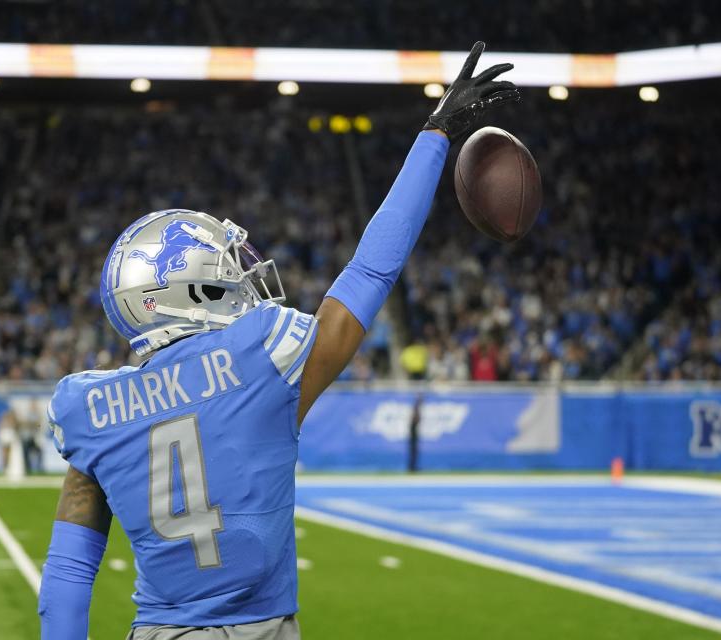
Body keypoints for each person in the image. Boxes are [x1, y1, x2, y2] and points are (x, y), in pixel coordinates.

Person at [38, 42, 519, 640]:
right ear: (188, 292)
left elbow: (68, 571)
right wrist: (436, 133)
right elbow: (369, 275)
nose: (242, 274)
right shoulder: (264, 358)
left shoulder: (91, 410)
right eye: (223, 268)